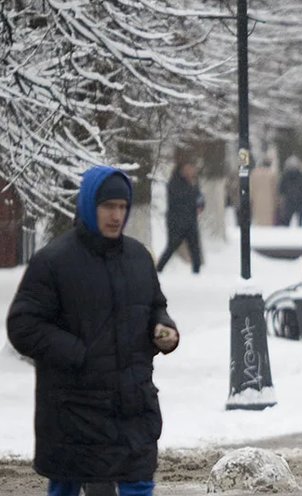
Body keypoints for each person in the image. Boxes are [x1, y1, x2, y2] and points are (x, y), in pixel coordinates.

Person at [7, 166, 180, 496]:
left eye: (122, 207)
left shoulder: (138, 258)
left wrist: (164, 328)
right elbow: (23, 325)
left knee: (138, 484)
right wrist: (76, 353)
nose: (116, 216)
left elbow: (155, 304)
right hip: (74, 411)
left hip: (132, 406)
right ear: (88, 205)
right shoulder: (54, 262)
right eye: (108, 207)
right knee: (67, 487)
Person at [156, 162, 203, 273]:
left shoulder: (193, 183)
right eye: (188, 169)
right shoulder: (175, 183)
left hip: (191, 221)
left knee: (195, 248)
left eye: (192, 169)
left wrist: (200, 205)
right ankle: (159, 269)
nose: (191, 172)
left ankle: (197, 272)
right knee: (171, 247)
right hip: (176, 222)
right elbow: (183, 199)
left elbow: (199, 198)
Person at [278, 155, 302, 227]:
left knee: (287, 220)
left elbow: (281, 188)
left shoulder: (285, 176)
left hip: (289, 199)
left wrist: (282, 196)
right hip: (300, 199)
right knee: (300, 220)